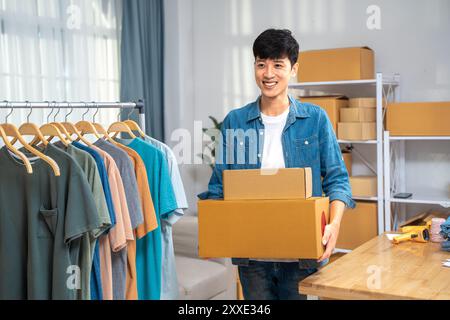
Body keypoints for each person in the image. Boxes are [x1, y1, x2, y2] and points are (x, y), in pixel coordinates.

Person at [198, 28, 354, 300]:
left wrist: (335, 223)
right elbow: (219, 185)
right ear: (254, 67)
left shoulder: (315, 119)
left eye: (278, 65)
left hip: (301, 255)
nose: (268, 73)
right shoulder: (235, 121)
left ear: (293, 69)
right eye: (261, 64)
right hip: (252, 259)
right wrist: (214, 230)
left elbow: (337, 179)